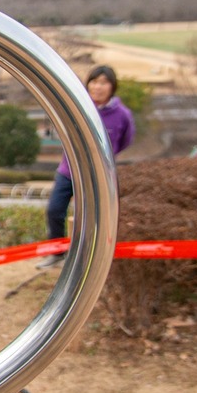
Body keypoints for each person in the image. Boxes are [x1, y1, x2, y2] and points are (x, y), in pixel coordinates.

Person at [38, 65, 136, 270]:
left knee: (93, 217)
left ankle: (90, 259)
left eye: (103, 83)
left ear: (112, 87)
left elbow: (126, 140)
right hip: (69, 170)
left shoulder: (122, 115)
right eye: (94, 82)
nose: (98, 87)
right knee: (55, 210)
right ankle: (57, 254)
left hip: (98, 175)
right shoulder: (77, 106)